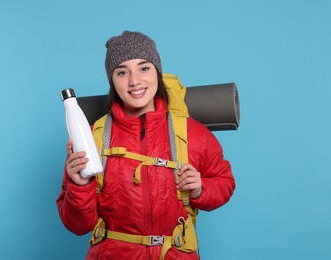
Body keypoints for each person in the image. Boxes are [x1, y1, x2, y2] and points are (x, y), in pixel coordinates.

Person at [57, 31, 235, 259]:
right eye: (122, 72)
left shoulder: (191, 132)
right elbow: (77, 225)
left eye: (144, 68)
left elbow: (225, 182)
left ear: (157, 73)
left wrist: (201, 189)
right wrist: (79, 185)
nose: (135, 81)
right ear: (112, 80)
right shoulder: (91, 138)